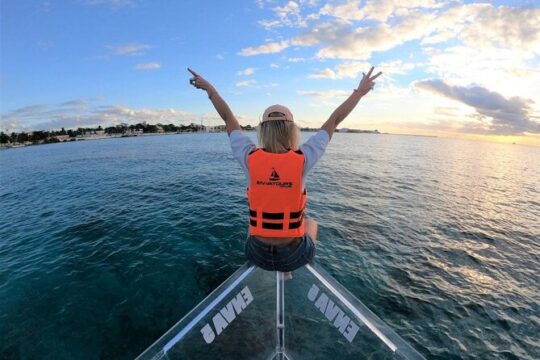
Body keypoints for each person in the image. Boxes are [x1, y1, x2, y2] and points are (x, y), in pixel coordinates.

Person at [188, 66, 381, 272]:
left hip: (256, 255)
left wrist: (210, 89)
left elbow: (227, 117)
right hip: (294, 257)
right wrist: (359, 92)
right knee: (311, 223)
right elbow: (335, 120)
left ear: (262, 130)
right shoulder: (304, 159)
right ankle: (287, 272)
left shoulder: (248, 157)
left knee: (252, 226)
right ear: (292, 130)